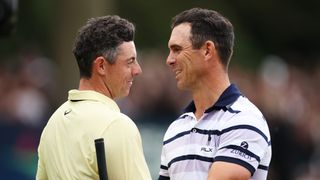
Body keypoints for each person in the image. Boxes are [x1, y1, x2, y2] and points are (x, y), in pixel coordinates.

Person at [158, 8, 271, 180]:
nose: (169, 60)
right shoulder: (176, 129)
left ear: (207, 50)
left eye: (177, 49)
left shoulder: (245, 119)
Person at [36, 15, 152, 180]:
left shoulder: (52, 125)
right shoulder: (117, 125)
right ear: (102, 66)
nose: (137, 70)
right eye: (130, 62)